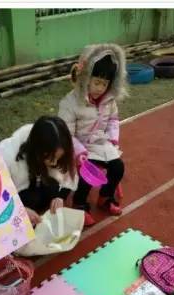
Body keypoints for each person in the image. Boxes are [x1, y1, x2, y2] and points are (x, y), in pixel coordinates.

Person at [59, 43, 128, 226]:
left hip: (101, 144)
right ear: (85, 78)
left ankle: (105, 197)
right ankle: (80, 204)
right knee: (89, 171)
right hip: (78, 148)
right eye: (96, 82)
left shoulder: (109, 100)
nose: (100, 88)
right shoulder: (70, 103)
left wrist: (113, 139)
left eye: (105, 84)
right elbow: (66, 134)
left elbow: (113, 120)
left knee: (118, 167)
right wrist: (79, 152)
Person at [0, 116, 78, 226]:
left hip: (38, 182)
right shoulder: (7, 155)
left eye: (58, 158)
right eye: (50, 158)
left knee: (52, 191)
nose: (54, 163)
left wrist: (60, 197)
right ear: (37, 150)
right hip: (19, 193)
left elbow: (68, 175)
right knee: (30, 200)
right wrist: (19, 210)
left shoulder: (59, 143)